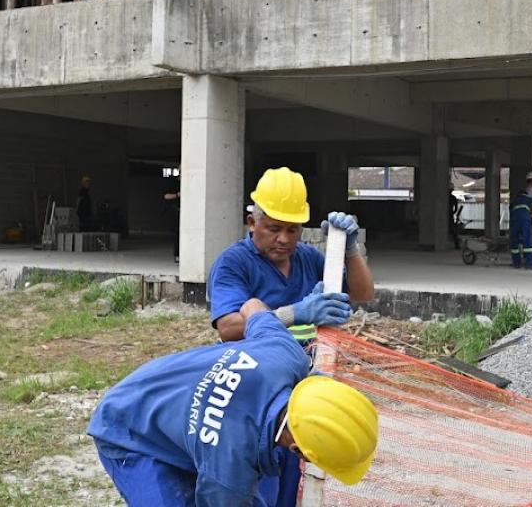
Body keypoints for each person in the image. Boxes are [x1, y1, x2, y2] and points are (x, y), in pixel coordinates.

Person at [88, 299, 380, 506]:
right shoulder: (230, 473)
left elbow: (252, 306)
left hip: (158, 388)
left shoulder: (285, 354)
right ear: (298, 450)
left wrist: (289, 313)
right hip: (126, 426)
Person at [209, 167, 376, 345]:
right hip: (254, 364)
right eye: (274, 229)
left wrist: (350, 251)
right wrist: (294, 313)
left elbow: (363, 293)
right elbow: (228, 328)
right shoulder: (233, 262)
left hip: (303, 361)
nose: (284, 239)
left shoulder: (308, 257)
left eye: (292, 230)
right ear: (252, 223)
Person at [509, 185, 532, 270]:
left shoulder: (514, 201)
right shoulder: (529, 200)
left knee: (514, 241)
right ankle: (529, 263)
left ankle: (516, 263)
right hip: (525, 220)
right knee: (528, 240)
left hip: (514, 221)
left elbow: (511, 212)